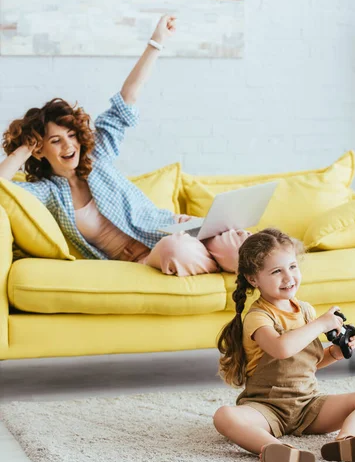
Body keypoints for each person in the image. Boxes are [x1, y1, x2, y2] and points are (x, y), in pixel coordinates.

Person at [0, 14, 249, 276]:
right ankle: (221, 265)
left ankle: (245, 262)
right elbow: (2, 188)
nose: (68, 145)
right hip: (149, 257)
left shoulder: (98, 155)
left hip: (174, 228)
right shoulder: (48, 194)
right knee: (177, 251)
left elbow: (126, 100)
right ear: (40, 150)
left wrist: (157, 42)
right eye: (55, 141)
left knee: (237, 246)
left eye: (71, 135)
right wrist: (25, 147)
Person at [213, 228, 355, 462]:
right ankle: (277, 449)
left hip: (308, 405)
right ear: (253, 279)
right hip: (267, 409)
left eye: (292, 267)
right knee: (224, 416)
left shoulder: (305, 310)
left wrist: (334, 353)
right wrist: (321, 324)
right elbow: (282, 350)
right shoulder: (258, 317)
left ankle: (346, 442)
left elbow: (304, 362)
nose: (288, 277)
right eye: (276, 271)